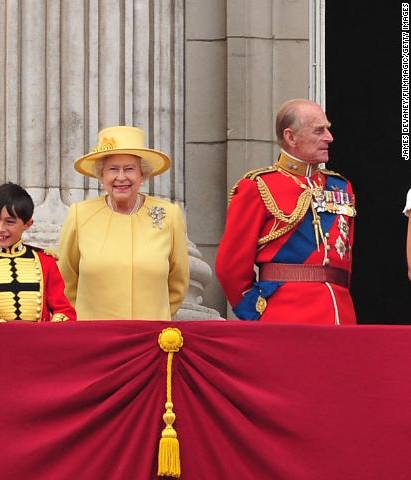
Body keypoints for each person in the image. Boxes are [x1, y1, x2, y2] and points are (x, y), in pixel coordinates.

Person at [216, 99, 356, 324]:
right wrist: (256, 310)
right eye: (319, 131)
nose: (329, 138)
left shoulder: (341, 187)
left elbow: (344, 263)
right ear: (291, 137)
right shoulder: (257, 186)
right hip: (284, 316)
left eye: (327, 129)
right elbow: (230, 267)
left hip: (340, 312)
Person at [58, 126, 189, 320]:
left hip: (149, 337)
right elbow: (65, 279)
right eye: (113, 169)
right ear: (102, 175)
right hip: (95, 336)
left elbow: (178, 282)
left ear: (142, 175)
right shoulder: (80, 214)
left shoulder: (168, 215)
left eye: (129, 169)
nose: (121, 177)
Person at [0, 182, 76, 322]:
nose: (0, 228)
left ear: (27, 224)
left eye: (9, 222)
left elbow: (64, 310)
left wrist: (58, 321)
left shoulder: (46, 262)